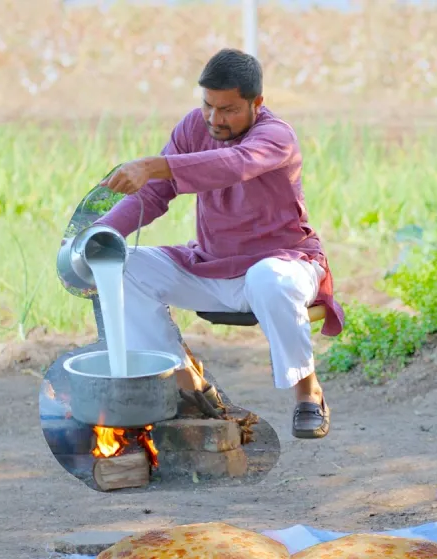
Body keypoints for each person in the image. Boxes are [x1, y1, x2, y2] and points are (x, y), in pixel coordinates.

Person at [96, 48, 342, 439]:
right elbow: (155, 194)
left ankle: (308, 393)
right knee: (121, 266)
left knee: (268, 279)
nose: (214, 118)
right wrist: (101, 236)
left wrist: (152, 165)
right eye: (208, 105)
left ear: (256, 103)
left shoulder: (276, 136)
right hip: (211, 266)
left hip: (282, 264)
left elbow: (233, 165)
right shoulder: (193, 128)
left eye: (228, 109)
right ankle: (187, 385)